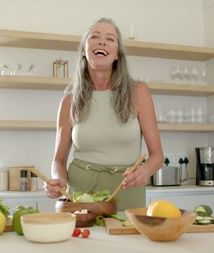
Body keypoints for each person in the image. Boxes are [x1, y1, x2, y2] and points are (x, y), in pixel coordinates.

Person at [44, 17, 164, 210]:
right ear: (84, 49)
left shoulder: (139, 93)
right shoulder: (69, 101)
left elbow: (157, 155)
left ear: (117, 54)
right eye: (94, 37)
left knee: (127, 239)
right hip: (80, 192)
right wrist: (59, 181)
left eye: (110, 39)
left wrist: (145, 171)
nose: (102, 41)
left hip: (126, 190)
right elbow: (58, 160)